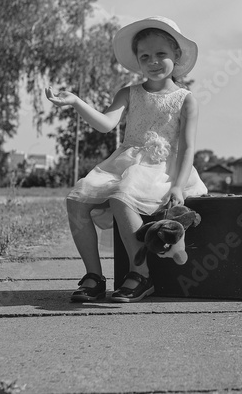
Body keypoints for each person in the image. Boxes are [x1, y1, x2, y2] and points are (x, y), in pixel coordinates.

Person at [45, 16, 207, 303]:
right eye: (145, 56)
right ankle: (93, 276)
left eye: (161, 54)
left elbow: (187, 148)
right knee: (76, 200)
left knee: (122, 196)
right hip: (127, 161)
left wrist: (178, 186)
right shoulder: (129, 93)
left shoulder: (186, 99)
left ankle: (140, 274)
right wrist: (76, 102)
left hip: (163, 169)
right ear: (137, 61)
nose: (153, 61)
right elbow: (106, 124)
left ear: (177, 56)